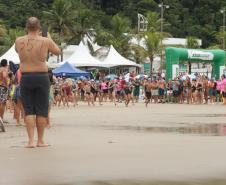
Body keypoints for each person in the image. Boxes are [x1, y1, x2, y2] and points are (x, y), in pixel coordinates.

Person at [15, 17, 60, 148]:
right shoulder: (45, 41)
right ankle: (40, 141)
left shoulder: (19, 40)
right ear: (39, 27)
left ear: (26, 27)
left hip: (26, 76)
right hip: (41, 76)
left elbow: (18, 51)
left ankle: (30, 141)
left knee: (28, 109)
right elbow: (57, 51)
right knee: (41, 109)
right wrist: (49, 38)